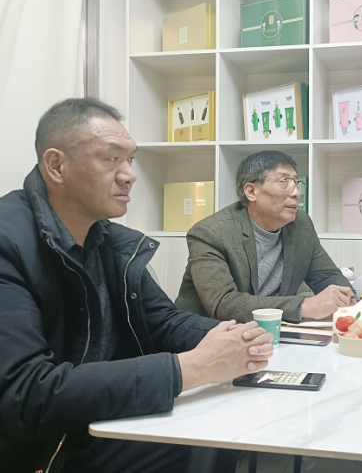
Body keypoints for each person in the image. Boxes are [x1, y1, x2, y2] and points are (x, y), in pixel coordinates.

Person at [0, 98, 274, 473]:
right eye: (112, 158)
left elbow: (163, 320)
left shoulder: (107, 240)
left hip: (98, 420)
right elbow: (26, 393)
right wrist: (191, 368)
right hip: (44, 449)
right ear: (56, 165)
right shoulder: (8, 243)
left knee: (224, 419)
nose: (129, 174)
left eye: (130, 160)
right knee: (199, 443)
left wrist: (234, 337)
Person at [175, 150, 354, 323]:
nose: (296, 193)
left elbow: (325, 275)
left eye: (296, 182)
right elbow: (224, 304)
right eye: (284, 182)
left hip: (272, 331)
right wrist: (305, 306)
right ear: (251, 192)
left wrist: (349, 300)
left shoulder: (301, 224)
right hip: (206, 334)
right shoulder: (210, 233)